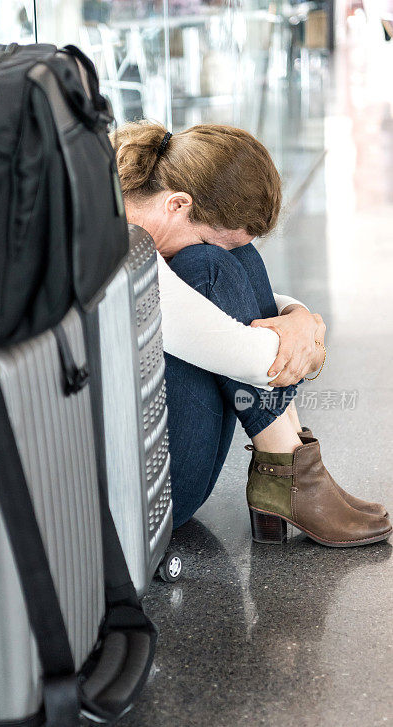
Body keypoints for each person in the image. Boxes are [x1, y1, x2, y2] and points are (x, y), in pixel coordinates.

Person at [114, 121, 390, 547]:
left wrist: (297, 315)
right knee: (210, 266)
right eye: (206, 236)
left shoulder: (130, 213)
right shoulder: (118, 245)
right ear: (177, 203)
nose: (210, 248)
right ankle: (289, 472)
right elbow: (253, 359)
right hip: (144, 498)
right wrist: (311, 346)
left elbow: (228, 311)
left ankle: (290, 469)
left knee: (234, 257)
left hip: (163, 472)